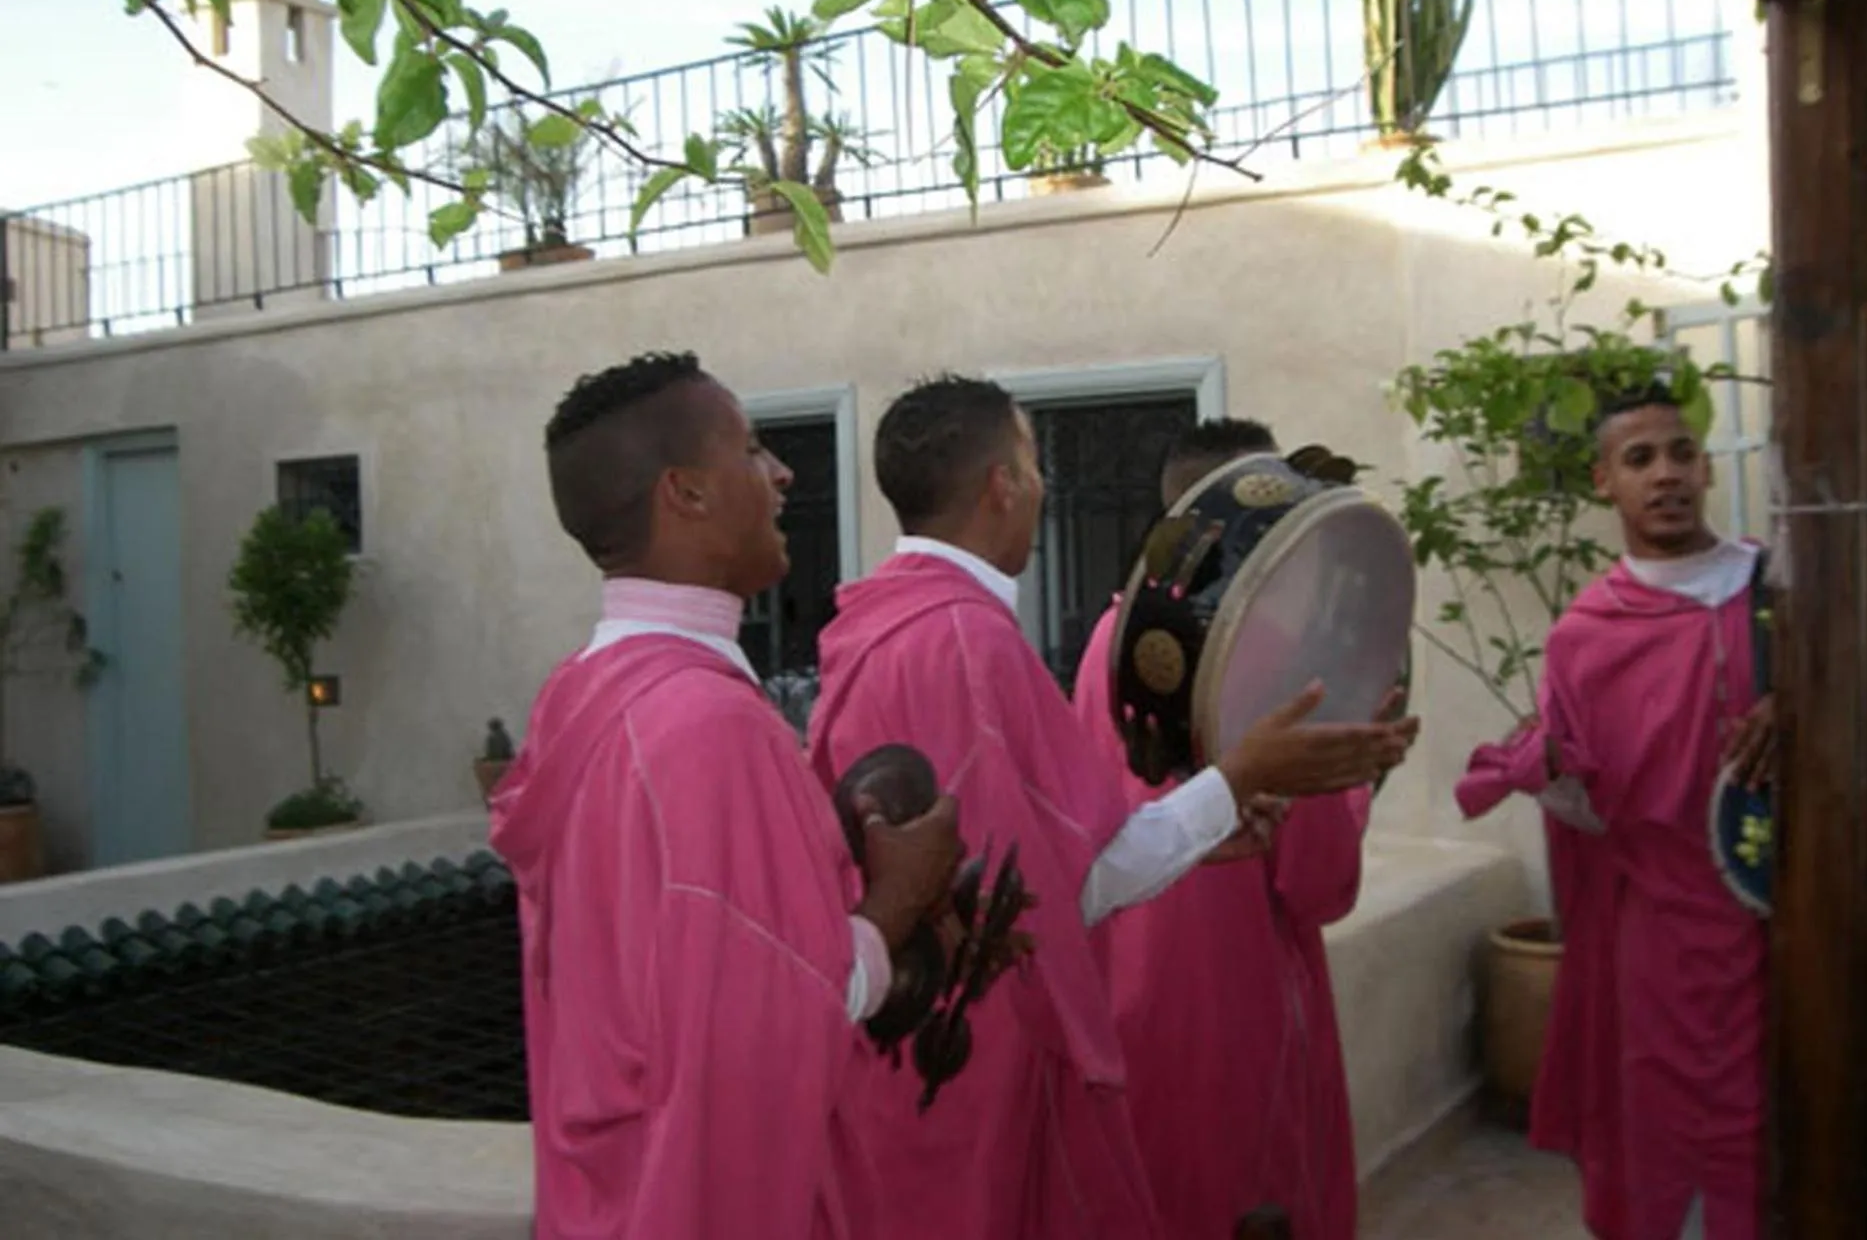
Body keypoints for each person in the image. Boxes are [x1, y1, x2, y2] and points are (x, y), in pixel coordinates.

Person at [806, 375, 1420, 1240]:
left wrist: (1209, 822)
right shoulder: (962, 641)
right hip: (983, 1080)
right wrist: (1246, 776)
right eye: (1033, 461)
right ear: (1003, 485)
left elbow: (1050, 860)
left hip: (931, 1060)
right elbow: (1041, 895)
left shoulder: (892, 625)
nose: (1045, 488)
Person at [489, 352, 965, 1240]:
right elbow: (771, 1025)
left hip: (607, 1196)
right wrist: (901, 895)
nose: (782, 473)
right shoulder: (704, 727)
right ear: (688, 493)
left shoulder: (581, 694)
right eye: (751, 451)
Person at [1454, 384, 1773, 1240]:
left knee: (1789, 1141)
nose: (1664, 474)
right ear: (1605, 482)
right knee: (1665, 1149)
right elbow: (1587, 819)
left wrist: (1805, 700)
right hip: (1658, 947)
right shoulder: (1587, 637)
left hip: (1790, 930)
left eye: (1678, 453)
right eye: (1639, 460)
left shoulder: (1780, 599)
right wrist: (1552, 772)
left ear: (1705, 466)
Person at [1072, 418, 1380, 1240]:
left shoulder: (1109, 639)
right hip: (1242, 1017)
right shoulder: (1281, 656)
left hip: (1129, 1000)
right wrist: (1358, 778)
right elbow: (1318, 886)